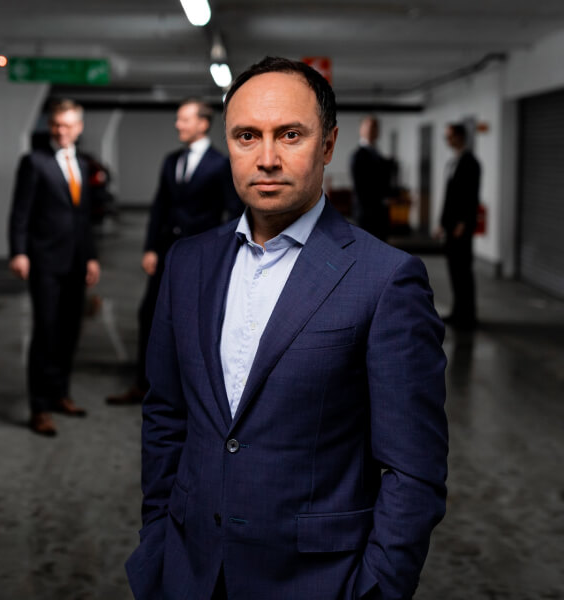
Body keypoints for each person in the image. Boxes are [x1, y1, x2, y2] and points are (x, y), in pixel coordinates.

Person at [126, 57, 448, 600]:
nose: (267, 158)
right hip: (188, 570)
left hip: (316, 582)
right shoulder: (188, 263)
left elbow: (413, 469)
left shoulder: (385, 279)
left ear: (328, 144)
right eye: (247, 136)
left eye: (290, 135)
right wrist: (157, 541)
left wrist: (375, 591)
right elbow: (166, 414)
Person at [106, 99, 241, 406]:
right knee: (150, 315)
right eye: (178, 119)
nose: (178, 124)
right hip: (167, 253)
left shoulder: (221, 164)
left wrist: (220, 254)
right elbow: (160, 207)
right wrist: (150, 248)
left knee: (193, 322)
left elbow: (232, 212)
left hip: (202, 258)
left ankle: (187, 393)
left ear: (202, 124)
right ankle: (142, 385)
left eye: (184, 119)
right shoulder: (171, 160)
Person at [9, 99, 100, 436]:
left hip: (76, 261)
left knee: (69, 332)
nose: (61, 131)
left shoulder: (83, 163)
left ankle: (60, 393)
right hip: (45, 261)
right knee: (46, 332)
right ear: (50, 126)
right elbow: (20, 211)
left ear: (79, 128)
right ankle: (40, 407)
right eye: (56, 124)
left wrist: (91, 257)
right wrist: (19, 252)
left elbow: (83, 217)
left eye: (68, 125)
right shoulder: (34, 162)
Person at [436, 122, 481, 330]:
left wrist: (462, 223)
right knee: (454, 269)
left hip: (461, 227)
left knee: (463, 270)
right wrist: (441, 223)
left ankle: (468, 315)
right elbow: (449, 197)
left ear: (460, 136)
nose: (447, 140)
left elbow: (471, 197)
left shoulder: (470, 163)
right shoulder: (453, 161)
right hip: (451, 225)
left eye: (450, 136)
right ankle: (458, 311)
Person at [350, 116, 392, 241]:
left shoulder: (378, 155)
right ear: (361, 130)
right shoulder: (358, 155)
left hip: (380, 214)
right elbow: (360, 187)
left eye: (374, 127)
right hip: (367, 215)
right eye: (368, 127)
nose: (371, 130)